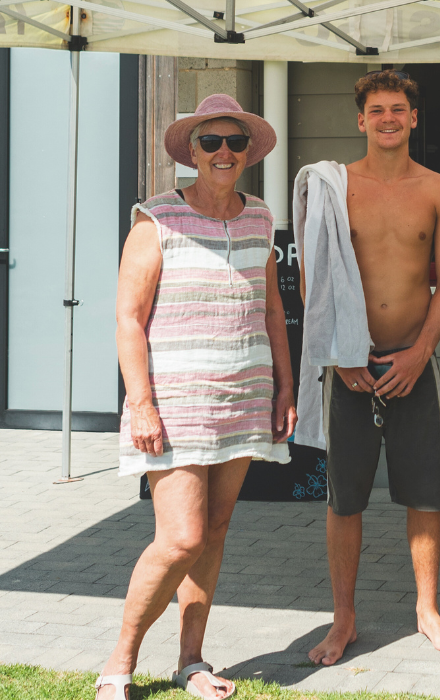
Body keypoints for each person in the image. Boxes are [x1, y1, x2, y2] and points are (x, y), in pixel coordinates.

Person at [96, 95, 295, 700]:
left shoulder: (260, 215)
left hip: (244, 396)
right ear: (192, 152)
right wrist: (142, 403)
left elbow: (272, 309)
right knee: (180, 537)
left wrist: (285, 386)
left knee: (216, 529)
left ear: (248, 152)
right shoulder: (155, 218)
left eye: (234, 142)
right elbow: (128, 319)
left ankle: (191, 661)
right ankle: (119, 664)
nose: (224, 152)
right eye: (211, 142)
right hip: (176, 400)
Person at [302, 70, 440, 664]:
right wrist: (341, 359)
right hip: (351, 367)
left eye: (399, 108)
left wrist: (421, 352)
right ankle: (343, 620)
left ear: (414, 118)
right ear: (361, 119)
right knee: (344, 499)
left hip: (414, 366)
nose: (388, 118)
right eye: (377, 109)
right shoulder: (334, 187)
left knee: (425, 495)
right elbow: (315, 280)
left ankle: (427, 609)